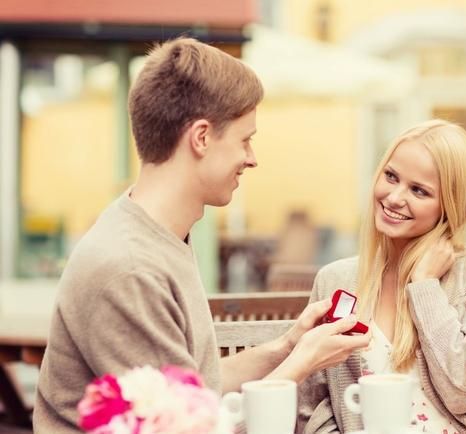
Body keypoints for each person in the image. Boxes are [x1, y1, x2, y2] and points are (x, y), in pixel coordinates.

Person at [33, 37, 370, 434]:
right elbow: (192, 427)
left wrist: (290, 345)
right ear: (202, 137)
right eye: (245, 139)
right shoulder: (129, 268)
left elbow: (196, 388)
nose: (252, 157)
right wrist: (304, 363)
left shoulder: (158, 236)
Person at [298, 120, 466, 434]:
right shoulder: (336, 279)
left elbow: (463, 389)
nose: (394, 197)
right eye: (391, 176)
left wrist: (425, 286)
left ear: (450, 206)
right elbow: (313, 406)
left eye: (419, 190)